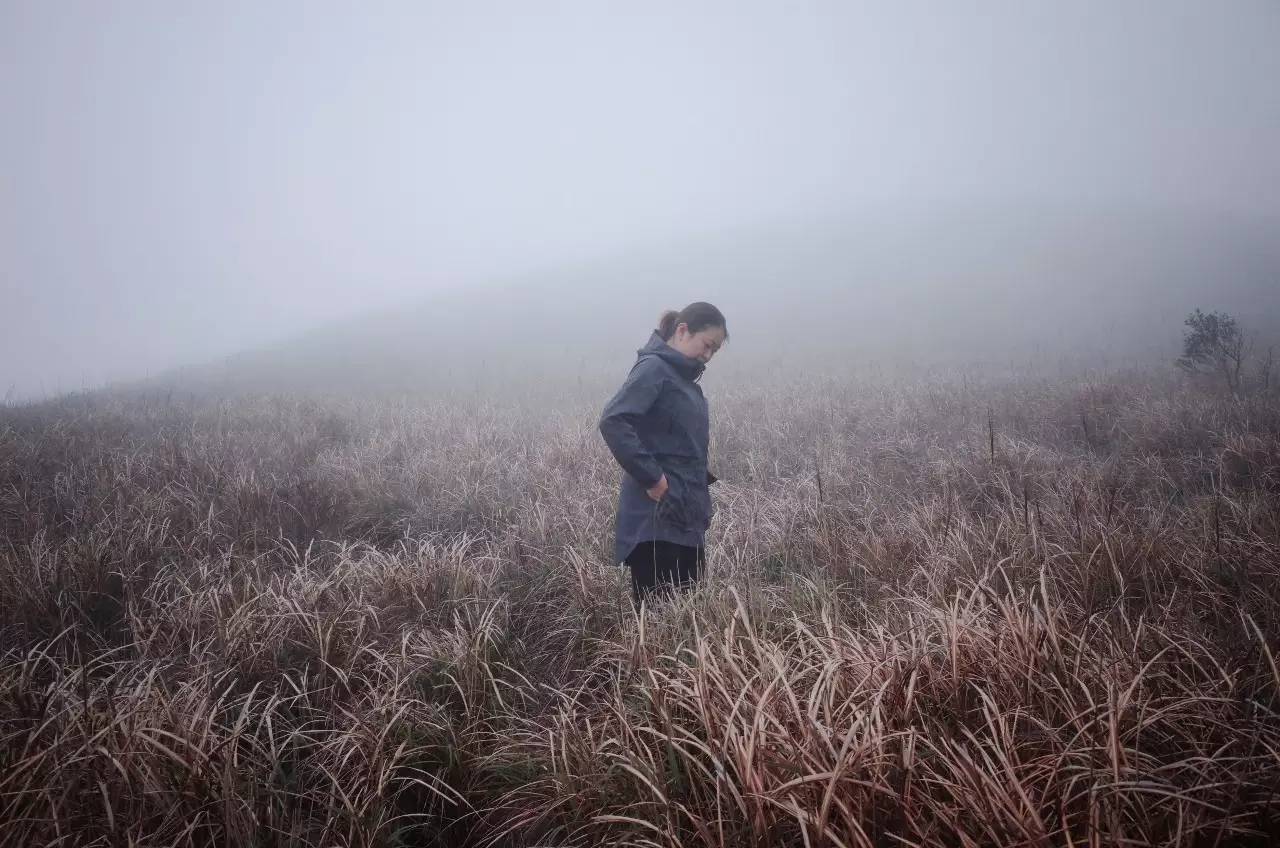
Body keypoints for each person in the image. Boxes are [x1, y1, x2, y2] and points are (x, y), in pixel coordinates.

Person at [599, 302, 728, 606]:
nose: (708, 356)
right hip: (655, 522)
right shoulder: (655, 368)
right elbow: (614, 421)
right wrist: (654, 479)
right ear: (683, 331)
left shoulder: (680, 377)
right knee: (660, 632)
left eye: (715, 351)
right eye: (706, 345)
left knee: (689, 623)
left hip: (683, 518)